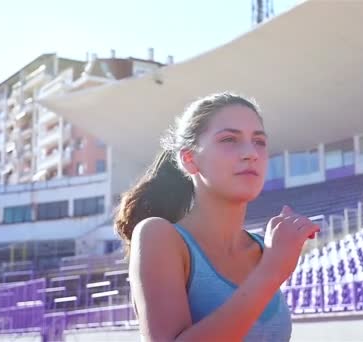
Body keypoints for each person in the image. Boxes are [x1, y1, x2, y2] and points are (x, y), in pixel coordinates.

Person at [114, 93, 319, 341]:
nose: (251, 153)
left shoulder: (263, 248)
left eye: (259, 141)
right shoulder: (158, 236)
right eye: (229, 139)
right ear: (190, 159)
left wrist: (272, 263)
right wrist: (271, 272)